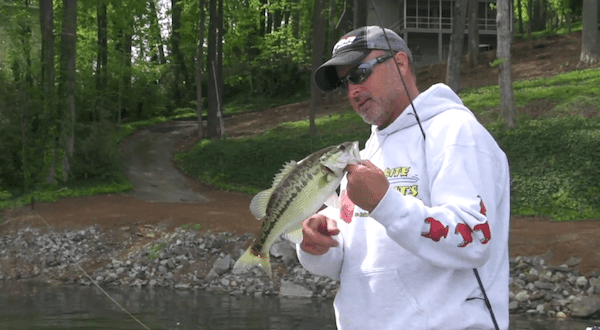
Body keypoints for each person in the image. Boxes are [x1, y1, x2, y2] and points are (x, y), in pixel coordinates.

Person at [297, 26, 510, 330]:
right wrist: (315, 245)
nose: (352, 91)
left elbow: (474, 238)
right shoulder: (364, 155)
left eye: (359, 74)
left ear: (400, 62)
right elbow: (347, 256)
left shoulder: (455, 131)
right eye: (345, 83)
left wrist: (385, 204)